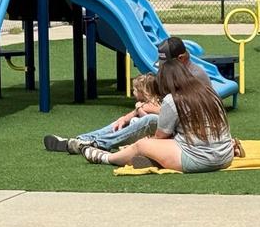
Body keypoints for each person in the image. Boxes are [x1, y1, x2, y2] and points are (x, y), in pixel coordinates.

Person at [42, 36, 208, 154]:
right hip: (176, 126)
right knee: (129, 121)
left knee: (148, 120)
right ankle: (81, 140)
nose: (163, 69)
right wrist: (129, 115)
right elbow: (165, 107)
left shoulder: (196, 77)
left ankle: (95, 143)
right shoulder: (171, 73)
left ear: (181, 58)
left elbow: (184, 112)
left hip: (191, 134)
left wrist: (144, 109)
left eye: (167, 64)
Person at [82, 58, 233, 173]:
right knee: (155, 141)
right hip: (226, 156)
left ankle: (105, 157)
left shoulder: (173, 99)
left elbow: (161, 136)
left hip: (199, 159)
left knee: (142, 145)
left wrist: (141, 143)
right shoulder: (209, 92)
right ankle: (152, 159)